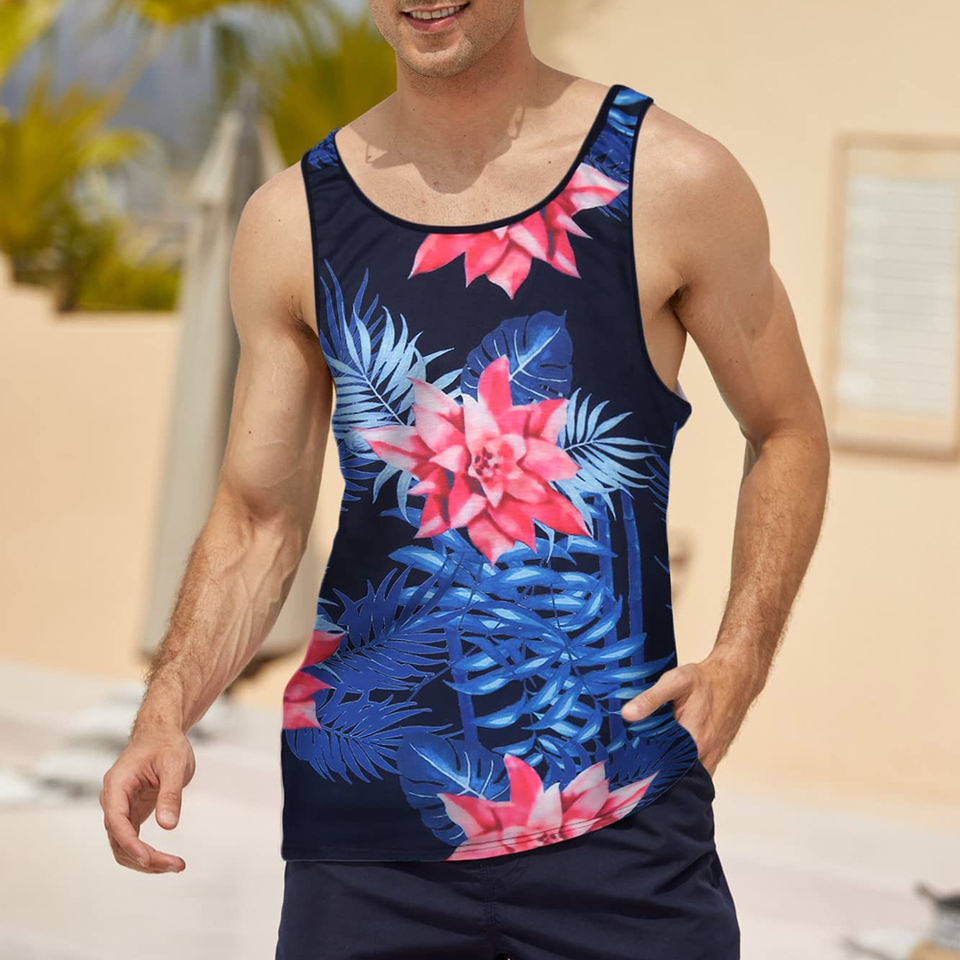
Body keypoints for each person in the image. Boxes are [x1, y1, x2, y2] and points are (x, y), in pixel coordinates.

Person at [100, 1, 830, 958]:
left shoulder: (667, 180)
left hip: (622, 820)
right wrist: (165, 711)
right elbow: (257, 519)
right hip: (363, 838)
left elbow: (787, 430)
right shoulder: (292, 222)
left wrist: (740, 661)